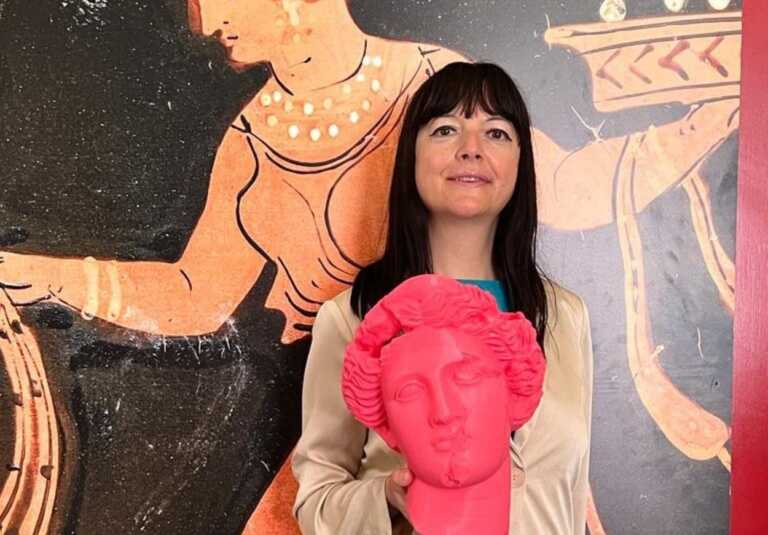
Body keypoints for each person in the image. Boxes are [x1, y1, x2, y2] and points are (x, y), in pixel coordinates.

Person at [291, 62, 594, 535]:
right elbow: (316, 499)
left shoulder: (564, 317)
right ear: (411, 156)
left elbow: (571, 496)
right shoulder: (354, 317)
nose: (471, 148)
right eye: (446, 129)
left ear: (520, 163)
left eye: (496, 133)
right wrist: (385, 498)